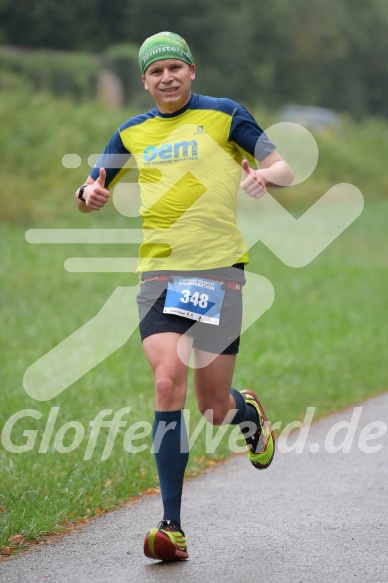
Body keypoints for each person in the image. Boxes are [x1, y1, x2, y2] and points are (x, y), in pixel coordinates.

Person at [75, 31, 293, 561]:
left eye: (175, 67)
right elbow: (87, 190)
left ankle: (247, 413)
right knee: (166, 380)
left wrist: (265, 176)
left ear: (191, 71)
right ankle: (171, 527)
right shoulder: (132, 132)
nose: (167, 78)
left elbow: (284, 166)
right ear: (144, 81)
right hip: (159, 277)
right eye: (156, 72)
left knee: (214, 408)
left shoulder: (224, 114)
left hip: (219, 274)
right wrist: (90, 194)